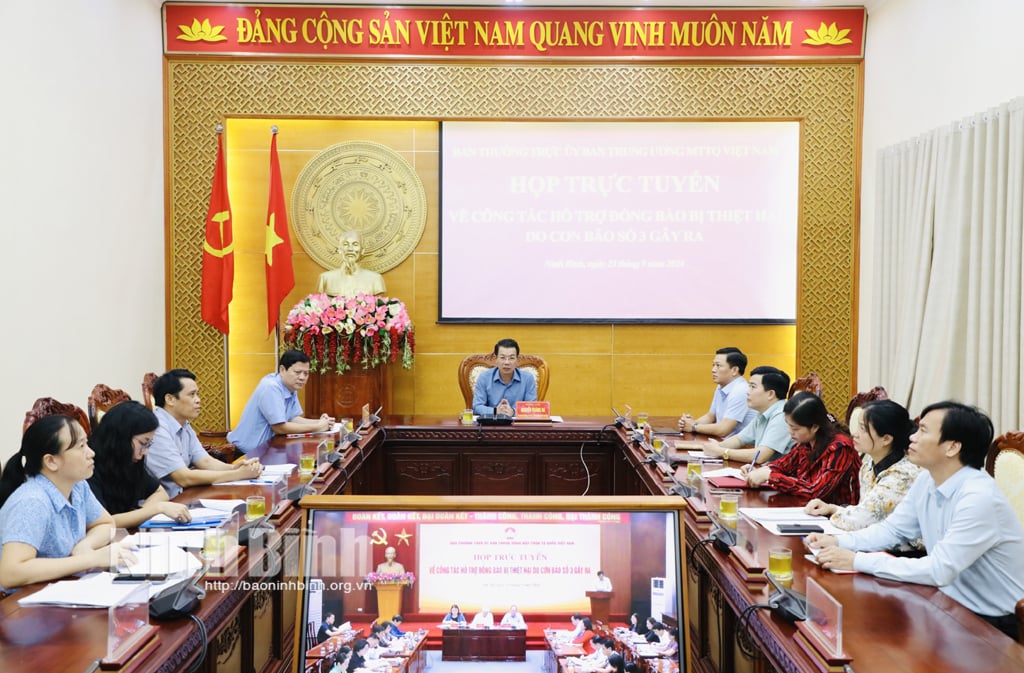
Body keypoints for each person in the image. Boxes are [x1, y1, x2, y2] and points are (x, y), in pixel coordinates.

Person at [809, 401, 1024, 641]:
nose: (912, 437)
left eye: (923, 431)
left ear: (952, 447)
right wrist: (838, 541)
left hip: (994, 623)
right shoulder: (927, 480)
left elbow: (938, 570)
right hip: (947, 602)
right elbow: (892, 530)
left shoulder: (979, 498)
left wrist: (857, 560)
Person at [0, 415, 135, 590]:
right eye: (81, 446)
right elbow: (11, 573)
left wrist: (85, 546)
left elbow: (106, 523)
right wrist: (91, 559)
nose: (91, 452)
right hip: (22, 605)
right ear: (51, 461)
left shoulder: (78, 485)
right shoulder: (32, 501)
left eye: (87, 443)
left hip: (62, 587)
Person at [804, 400, 922, 538]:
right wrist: (831, 508)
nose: (855, 434)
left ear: (886, 439)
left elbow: (860, 520)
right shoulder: (868, 466)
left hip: (905, 553)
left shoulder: (903, 476)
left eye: (863, 429)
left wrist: (836, 513)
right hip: (874, 542)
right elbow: (865, 510)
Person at [145, 368, 263, 498]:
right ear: (170, 399)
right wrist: (238, 475)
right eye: (192, 394)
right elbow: (184, 478)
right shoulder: (156, 428)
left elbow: (205, 462)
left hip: (185, 498)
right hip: (163, 506)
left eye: (197, 394)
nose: (198, 400)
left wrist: (236, 468)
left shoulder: (183, 423)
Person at [87, 401, 192, 528]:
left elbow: (160, 492)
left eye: (149, 444)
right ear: (121, 438)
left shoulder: (126, 460)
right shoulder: (89, 465)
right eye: (143, 443)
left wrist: (140, 514)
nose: (146, 451)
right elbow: (102, 522)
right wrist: (156, 509)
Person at [741, 392, 860, 505]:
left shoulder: (840, 447)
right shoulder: (806, 441)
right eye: (789, 426)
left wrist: (770, 476)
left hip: (834, 514)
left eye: (795, 428)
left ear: (814, 427)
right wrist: (759, 470)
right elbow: (783, 465)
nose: (790, 432)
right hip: (804, 507)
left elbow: (815, 491)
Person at [228, 350, 335, 454]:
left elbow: (292, 418)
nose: (302, 377)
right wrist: (317, 427)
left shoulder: (291, 386)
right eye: (297, 372)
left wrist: (321, 422)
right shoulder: (271, 387)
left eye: (306, 373)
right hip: (246, 453)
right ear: (282, 370)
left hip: (268, 449)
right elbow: (279, 427)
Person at [702, 366, 795, 463]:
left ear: (770, 394)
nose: (747, 392)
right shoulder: (762, 413)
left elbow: (760, 456)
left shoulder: (782, 415)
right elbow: (739, 439)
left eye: (753, 387)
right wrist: (717, 446)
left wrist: (721, 452)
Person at [678, 347, 756, 438]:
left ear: (734, 370)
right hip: (723, 443)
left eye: (718, 366)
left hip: (742, 448)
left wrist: (694, 427)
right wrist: (688, 424)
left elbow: (723, 430)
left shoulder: (741, 391)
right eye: (713, 365)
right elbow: (710, 417)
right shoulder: (721, 386)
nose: (713, 370)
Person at [472, 338, 538, 416]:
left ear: (517, 359)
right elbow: (477, 406)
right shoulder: (484, 378)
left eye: (511, 358)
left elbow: (532, 408)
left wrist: (513, 412)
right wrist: (495, 411)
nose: (507, 362)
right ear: (496, 359)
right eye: (502, 358)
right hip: (491, 425)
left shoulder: (527, 379)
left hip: (518, 427)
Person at [316, 230, 386, 297]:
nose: (350, 249)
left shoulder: (375, 279)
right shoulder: (325, 278)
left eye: (355, 244)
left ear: (362, 250)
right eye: (346, 244)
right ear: (340, 250)